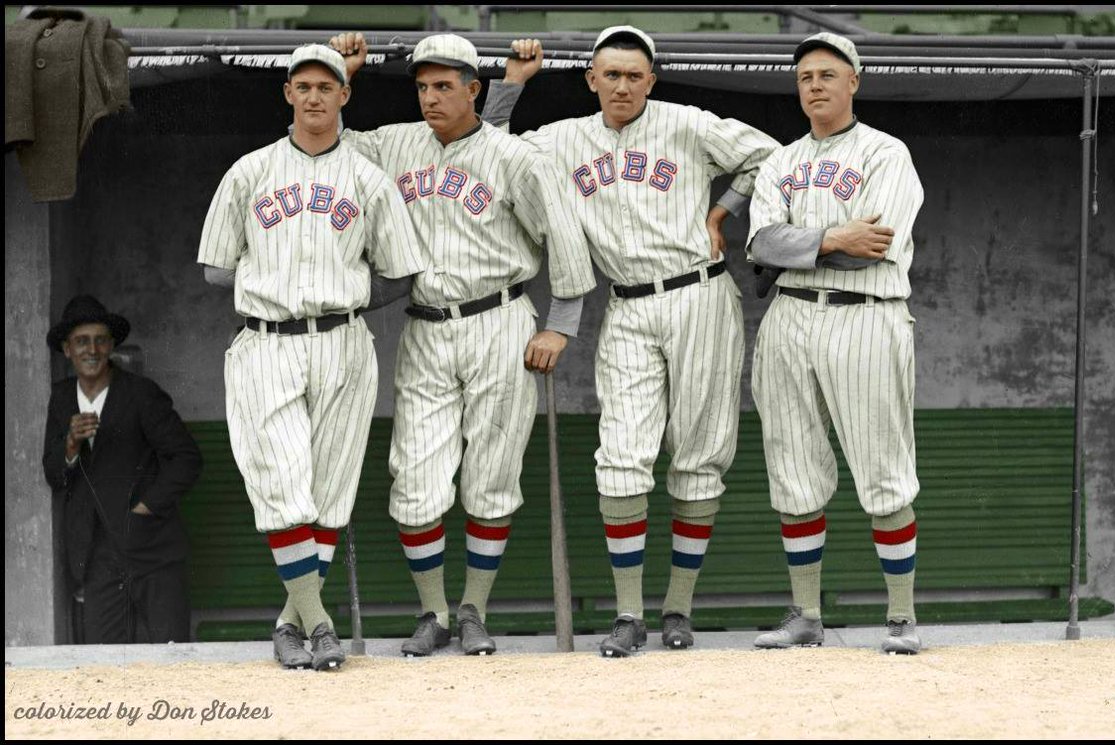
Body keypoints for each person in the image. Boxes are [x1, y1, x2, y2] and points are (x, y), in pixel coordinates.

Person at [477, 27, 780, 656]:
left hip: (698, 292)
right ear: (591, 79)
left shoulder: (687, 124)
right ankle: (628, 613)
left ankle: (678, 609)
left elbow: (769, 158)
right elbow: (488, 149)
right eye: (610, 74)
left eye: (634, 75)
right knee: (620, 458)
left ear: (651, 80)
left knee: (699, 455)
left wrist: (722, 211)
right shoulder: (563, 139)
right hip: (627, 303)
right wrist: (511, 84)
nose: (622, 85)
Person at [328, 32, 596, 656]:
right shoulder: (395, 142)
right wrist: (342, 74)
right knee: (415, 477)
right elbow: (329, 144)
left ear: (476, 90)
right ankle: (434, 612)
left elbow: (566, 238)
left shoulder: (517, 158)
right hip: (424, 323)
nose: (430, 97)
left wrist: (560, 324)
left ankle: (474, 607)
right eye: (422, 86)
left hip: (499, 321)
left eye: (444, 86)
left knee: (492, 476)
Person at [197, 44, 425, 670]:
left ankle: (290, 624)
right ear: (289, 94)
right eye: (304, 86)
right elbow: (218, 269)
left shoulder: (369, 179)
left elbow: (402, 272)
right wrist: (276, 282)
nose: (316, 96)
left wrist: (340, 296)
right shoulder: (249, 172)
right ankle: (320, 622)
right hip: (267, 341)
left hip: (344, 341)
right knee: (280, 482)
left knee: (329, 493)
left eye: (328, 86)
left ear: (345, 95)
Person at [746, 33, 926, 654]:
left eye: (828, 74)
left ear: (855, 81)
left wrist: (804, 241)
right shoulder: (780, 160)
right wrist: (831, 238)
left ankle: (901, 618)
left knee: (883, 470)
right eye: (805, 77)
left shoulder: (886, 152)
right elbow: (760, 246)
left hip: (867, 315)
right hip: (789, 320)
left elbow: (873, 248)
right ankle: (806, 615)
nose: (815, 85)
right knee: (793, 471)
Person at [42, 295, 202, 644]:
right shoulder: (61, 398)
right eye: (82, 341)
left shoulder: (141, 394)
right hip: (97, 558)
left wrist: (145, 507)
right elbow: (54, 475)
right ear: (67, 350)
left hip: (154, 550)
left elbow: (186, 458)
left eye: (100, 340)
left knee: (171, 657)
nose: (92, 349)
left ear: (112, 345)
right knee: (103, 662)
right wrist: (70, 444)